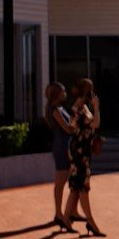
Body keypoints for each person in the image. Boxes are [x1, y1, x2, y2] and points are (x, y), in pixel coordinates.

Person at [61, 79, 106, 237]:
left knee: (76, 187)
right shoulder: (81, 108)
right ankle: (91, 222)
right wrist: (97, 107)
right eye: (91, 90)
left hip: (78, 149)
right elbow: (95, 124)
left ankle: (66, 219)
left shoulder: (79, 106)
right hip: (80, 152)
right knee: (83, 187)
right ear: (87, 91)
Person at [43, 82, 74, 228]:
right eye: (63, 91)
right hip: (61, 146)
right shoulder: (55, 110)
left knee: (63, 179)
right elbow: (67, 128)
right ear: (57, 94)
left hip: (65, 145)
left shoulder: (60, 108)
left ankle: (63, 212)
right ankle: (58, 214)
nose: (65, 93)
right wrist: (78, 125)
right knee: (60, 181)